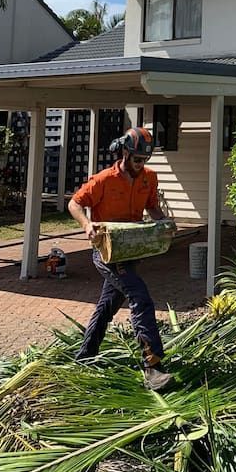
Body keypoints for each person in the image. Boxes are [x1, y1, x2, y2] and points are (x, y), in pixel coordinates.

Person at [68, 126, 176, 391]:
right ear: (126, 153)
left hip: (131, 252)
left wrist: (165, 223)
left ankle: (84, 357)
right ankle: (152, 364)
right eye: (137, 159)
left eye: (145, 160)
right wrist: (86, 225)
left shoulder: (149, 178)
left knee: (106, 308)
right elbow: (74, 203)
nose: (141, 164)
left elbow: (152, 207)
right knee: (139, 296)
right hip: (105, 251)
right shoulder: (104, 179)